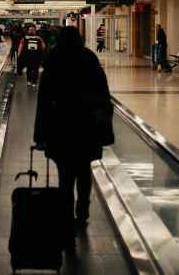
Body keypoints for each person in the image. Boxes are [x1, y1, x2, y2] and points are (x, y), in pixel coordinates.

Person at [34, 26, 114, 252]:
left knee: (65, 173)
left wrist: (40, 134)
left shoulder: (54, 58)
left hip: (61, 126)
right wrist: (105, 125)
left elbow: (44, 99)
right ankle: (83, 209)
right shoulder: (89, 57)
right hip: (86, 126)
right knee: (83, 168)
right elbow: (103, 93)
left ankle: (67, 211)